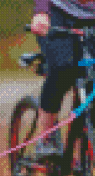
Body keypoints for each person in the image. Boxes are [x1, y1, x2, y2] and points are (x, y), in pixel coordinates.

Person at [31, 0, 95, 155]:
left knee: (91, 80)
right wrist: (41, 12)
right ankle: (46, 138)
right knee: (62, 68)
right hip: (58, 13)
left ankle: (82, 163)